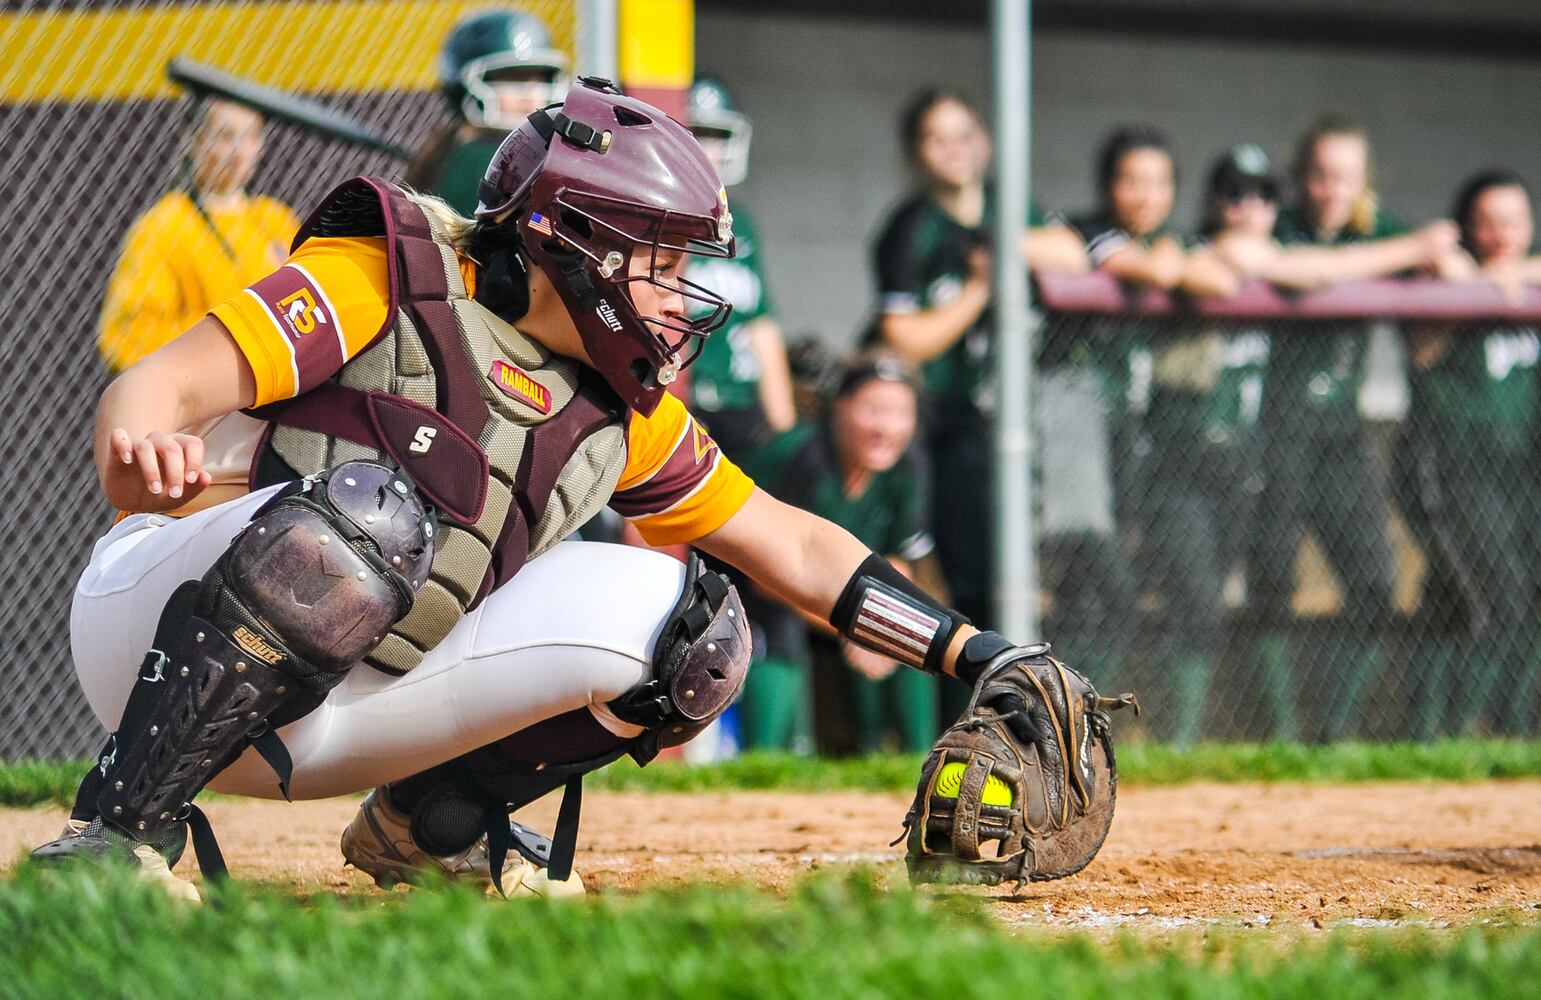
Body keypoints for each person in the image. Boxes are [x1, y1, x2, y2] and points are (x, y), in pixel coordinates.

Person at [29, 81, 1097, 903]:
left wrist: (976, 649)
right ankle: (117, 832)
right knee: (372, 510)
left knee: (699, 627)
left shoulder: (623, 406)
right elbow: (154, 384)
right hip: (152, 637)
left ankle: (430, 825)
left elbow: (794, 550)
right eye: (662, 258)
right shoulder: (384, 274)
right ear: (572, 243)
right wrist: (139, 449)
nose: (686, 291)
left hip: (347, 704)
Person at [1243, 116, 1462, 742]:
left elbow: (1445, 266)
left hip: (1342, 432)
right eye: (1318, 175)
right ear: (1300, 178)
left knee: (1375, 579)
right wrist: (1410, 251)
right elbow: (1301, 268)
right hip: (1273, 429)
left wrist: (1435, 256)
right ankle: (1276, 737)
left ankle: (1330, 735)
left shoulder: (1378, 228)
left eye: (1344, 177)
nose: (1330, 189)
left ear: (1364, 181)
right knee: (1272, 582)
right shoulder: (1280, 223)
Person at [872, 89, 1085, 721]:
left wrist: (1001, 247)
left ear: (985, 141)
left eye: (964, 135)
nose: (954, 151)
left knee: (992, 575)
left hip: (991, 424)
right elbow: (905, 340)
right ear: (916, 153)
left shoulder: (1006, 207)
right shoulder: (910, 228)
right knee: (929, 575)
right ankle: (934, 730)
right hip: (926, 420)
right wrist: (977, 287)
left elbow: (1072, 253)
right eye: (937, 139)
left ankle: (999, 721)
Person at [1045, 127, 1232, 740]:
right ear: (1108, 186)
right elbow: (1147, 270)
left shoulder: (1181, 242)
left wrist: (1178, 260)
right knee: (1100, 592)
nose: (1145, 194)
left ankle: (1179, 744)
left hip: (1153, 448)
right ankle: (1072, 732)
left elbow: (1221, 281)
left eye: (1158, 182)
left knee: (1196, 592)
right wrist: (1171, 263)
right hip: (1078, 437)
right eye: (1131, 180)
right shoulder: (1086, 228)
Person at [1398, 170, 1541, 737]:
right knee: (1494, 592)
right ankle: (1470, 733)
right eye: (1487, 222)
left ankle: (1439, 732)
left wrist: (1509, 275)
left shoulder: (1524, 281)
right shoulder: (1441, 278)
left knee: (1460, 599)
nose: (1501, 233)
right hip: (1450, 468)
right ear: (1466, 229)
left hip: (1519, 473)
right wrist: (1478, 287)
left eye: (1513, 221)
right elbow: (1424, 351)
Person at [745, 355, 938, 754]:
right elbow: (765, 576)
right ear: (840, 408)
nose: (887, 428)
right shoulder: (802, 456)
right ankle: (762, 759)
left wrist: (885, 625)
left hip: (833, 593)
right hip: (758, 582)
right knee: (778, 629)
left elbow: (897, 559)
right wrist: (854, 626)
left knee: (916, 623)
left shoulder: (910, 465)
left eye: (901, 413)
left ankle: (918, 759)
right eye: (873, 410)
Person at [97, 99, 298, 373]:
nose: (239, 152)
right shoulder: (165, 225)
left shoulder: (277, 220)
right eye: (225, 136)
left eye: (250, 135)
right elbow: (126, 335)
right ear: (193, 140)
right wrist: (233, 336)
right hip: (205, 395)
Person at [680, 77, 796, 465]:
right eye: (697, 133)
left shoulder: (740, 223)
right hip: (683, 400)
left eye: (717, 135)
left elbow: (759, 321)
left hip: (740, 405)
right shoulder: (656, 219)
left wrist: (783, 418)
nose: (708, 149)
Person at [404, 9, 569, 215]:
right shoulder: (483, 158)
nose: (530, 92)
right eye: (512, 78)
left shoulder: (449, 147)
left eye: (539, 79)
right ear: (463, 86)